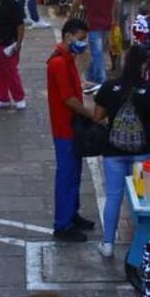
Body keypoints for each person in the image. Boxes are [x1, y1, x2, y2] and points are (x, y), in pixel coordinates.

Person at [91, 47, 150, 258]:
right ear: (143, 65)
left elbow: (97, 116)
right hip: (143, 153)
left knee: (113, 196)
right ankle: (144, 243)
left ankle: (107, 244)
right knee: (144, 199)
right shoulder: (149, 90)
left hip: (113, 152)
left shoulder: (110, 86)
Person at [47, 18, 98, 243]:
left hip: (72, 127)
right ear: (68, 36)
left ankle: (71, 214)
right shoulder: (58, 63)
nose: (83, 43)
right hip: (65, 128)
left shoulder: (69, 59)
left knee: (74, 174)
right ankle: (62, 224)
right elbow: (68, 99)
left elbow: (73, 89)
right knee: (67, 175)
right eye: (80, 39)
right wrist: (92, 114)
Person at [69, 0, 119, 86]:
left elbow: (76, 1)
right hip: (108, 21)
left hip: (93, 22)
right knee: (99, 51)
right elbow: (115, 1)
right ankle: (91, 75)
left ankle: (101, 81)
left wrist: (70, 16)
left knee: (97, 53)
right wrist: (114, 18)